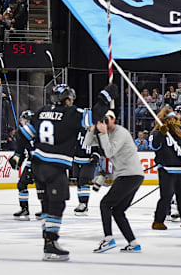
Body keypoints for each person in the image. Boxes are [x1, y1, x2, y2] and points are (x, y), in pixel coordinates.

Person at [18, 82, 115, 261]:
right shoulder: (71, 113)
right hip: (54, 167)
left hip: (37, 165)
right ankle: (51, 243)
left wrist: (17, 154)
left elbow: (23, 134)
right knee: (57, 204)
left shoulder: (41, 111)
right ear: (67, 100)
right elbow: (94, 116)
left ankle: (47, 239)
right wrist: (105, 97)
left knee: (47, 205)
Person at [88, 110, 144, 253]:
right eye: (104, 119)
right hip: (130, 176)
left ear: (115, 120)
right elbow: (87, 144)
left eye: (109, 118)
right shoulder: (105, 133)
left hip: (129, 175)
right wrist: (92, 129)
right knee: (118, 211)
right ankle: (133, 243)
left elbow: (109, 152)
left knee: (105, 204)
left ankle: (108, 238)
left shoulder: (120, 133)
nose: (106, 121)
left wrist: (103, 134)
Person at [151, 106, 181, 230]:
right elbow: (154, 146)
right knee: (166, 195)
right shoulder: (157, 133)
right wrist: (160, 134)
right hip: (166, 169)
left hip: (180, 169)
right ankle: (158, 220)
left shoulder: (180, 134)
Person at [9, 110, 38, 221]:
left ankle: (27, 209)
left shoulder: (25, 132)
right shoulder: (36, 131)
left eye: (23, 120)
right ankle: (27, 209)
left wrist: (17, 157)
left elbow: (21, 150)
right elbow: (23, 150)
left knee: (24, 185)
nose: (21, 122)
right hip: (38, 163)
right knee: (24, 185)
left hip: (37, 164)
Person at [72, 128, 99, 215]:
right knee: (79, 181)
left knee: (84, 181)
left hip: (88, 160)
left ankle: (84, 203)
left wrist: (95, 156)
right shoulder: (77, 129)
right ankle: (81, 203)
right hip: (76, 159)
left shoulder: (95, 132)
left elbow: (99, 147)